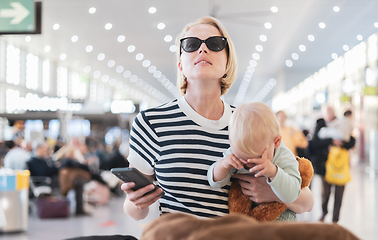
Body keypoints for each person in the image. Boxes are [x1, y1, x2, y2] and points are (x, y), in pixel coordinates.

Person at [122, 16, 313, 221]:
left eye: (214, 44)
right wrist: (136, 202)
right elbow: (134, 210)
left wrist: (273, 190)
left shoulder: (248, 122)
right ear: (180, 65)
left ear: (227, 63)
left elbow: (306, 202)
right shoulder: (152, 123)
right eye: (191, 44)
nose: (202, 50)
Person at [208, 102, 301, 220]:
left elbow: (292, 195)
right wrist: (223, 165)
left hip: (280, 221)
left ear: (276, 142)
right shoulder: (234, 153)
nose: (248, 165)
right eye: (242, 158)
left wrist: (274, 172)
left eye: (256, 159)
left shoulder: (284, 156)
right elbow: (215, 182)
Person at [310, 106, 355, 223]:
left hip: (341, 165)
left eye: (331, 111)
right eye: (327, 111)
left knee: (339, 194)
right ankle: (324, 212)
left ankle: (335, 219)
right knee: (325, 193)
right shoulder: (320, 125)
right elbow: (315, 143)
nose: (330, 113)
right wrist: (331, 141)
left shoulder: (341, 123)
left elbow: (351, 141)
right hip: (325, 166)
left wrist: (342, 143)